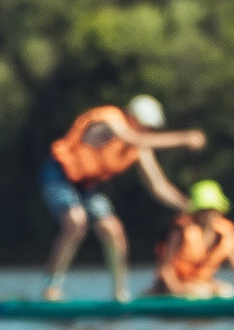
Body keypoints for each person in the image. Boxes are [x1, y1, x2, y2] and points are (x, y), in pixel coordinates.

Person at [39, 94, 205, 302]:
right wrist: (184, 138)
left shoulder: (139, 145)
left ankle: (119, 293)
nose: (149, 132)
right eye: (147, 127)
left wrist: (188, 206)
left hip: (88, 185)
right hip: (60, 174)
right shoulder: (109, 121)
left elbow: (158, 186)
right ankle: (51, 287)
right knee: (76, 221)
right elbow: (131, 137)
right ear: (133, 118)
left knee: (113, 229)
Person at [152, 180, 234, 299]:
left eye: (213, 210)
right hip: (173, 288)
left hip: (202, 285)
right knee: (200, 292)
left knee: (227, 292)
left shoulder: (224, 234)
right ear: (196, 212)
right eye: (204, 210)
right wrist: (180, 292)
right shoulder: (180, 231)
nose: (209, 215)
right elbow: (165, 270)